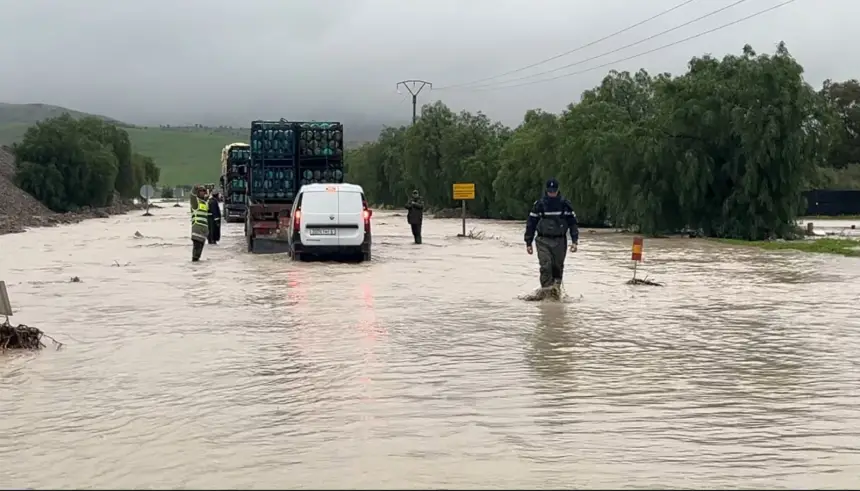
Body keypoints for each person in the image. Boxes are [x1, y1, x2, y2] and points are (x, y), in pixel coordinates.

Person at [524, 178, 579, 289]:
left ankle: (556, 292)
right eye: (550, 191)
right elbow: (531, 224)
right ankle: (545, 292)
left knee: (557, 268)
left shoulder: (565, 205)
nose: (552, 193)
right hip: (543, 240)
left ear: (558, 190)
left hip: (560, 241)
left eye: (554, 191)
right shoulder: (539, 205)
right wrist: (528, 242)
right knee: (546, 266)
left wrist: (574, 241)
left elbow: (573, 223)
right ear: (546, 190)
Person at [189, 185, 210, 262]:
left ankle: (197, 267)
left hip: (203, 232)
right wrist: (194, 188)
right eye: (201, 191)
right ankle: (194, 268)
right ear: (198, 193)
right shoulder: (196, 203)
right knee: (196, 253)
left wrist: (209, 191)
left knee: (199, 254)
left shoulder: (205, 203)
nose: (203, 193)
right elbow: (192, 197)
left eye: (204, 191)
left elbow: (207, 197)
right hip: (197, 231)